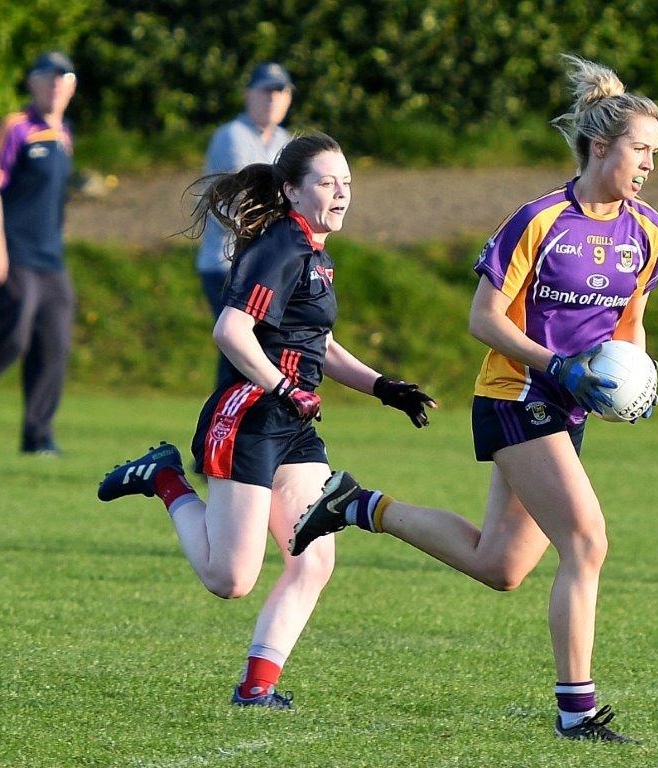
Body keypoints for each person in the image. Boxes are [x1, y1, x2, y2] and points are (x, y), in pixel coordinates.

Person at [290, 54, 658, 742]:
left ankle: (357, 504)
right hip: (515, 394)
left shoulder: (647, 230)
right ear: (601, 145)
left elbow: (629, 324)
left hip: (568, 406)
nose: (648, 165)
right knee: (587, 541)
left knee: (503, 565)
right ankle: (576, 713)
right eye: (640, 149)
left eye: (654, 153)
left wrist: (637, 376)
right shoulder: (539, 220)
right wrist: (560, 365)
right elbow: (483, 319)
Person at [97, 133, 435, 709]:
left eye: (347, 182)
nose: (341, 193)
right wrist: (281, 385)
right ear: (291, 191)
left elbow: (316, 343)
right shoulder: (280, 246)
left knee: (314, 557)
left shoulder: (315, 250)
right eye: (327, 182)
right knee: (230, 581)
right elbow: (231, 331)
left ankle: (258, 687)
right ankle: (164, 479)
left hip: (294, 425)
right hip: (250, 418)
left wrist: (381, 386)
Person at [0, 51, 78, 455]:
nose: (56, 85)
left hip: (51, 260)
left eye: (63, 79)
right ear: (33, 83)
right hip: (15, 254)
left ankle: (37, 436)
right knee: (12, 339)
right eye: (48, 78)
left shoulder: (64, 134)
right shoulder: (15, 127)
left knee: (55, 343)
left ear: (72, 87)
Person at [197, 62, 294, 384]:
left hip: (262, 264)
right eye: (265, 91)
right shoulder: (231, 136)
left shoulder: (284, 140)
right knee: (238, 350)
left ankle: (232, 427)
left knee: (251, 352)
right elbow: (249, 205)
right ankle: (222, 429)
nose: (272, 99)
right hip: (225, 263)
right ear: (248, 95)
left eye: (279, 92)